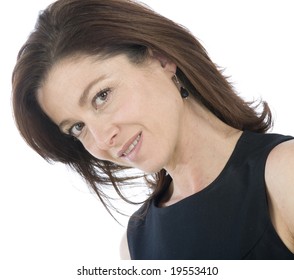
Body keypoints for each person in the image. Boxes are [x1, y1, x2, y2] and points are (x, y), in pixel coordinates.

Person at [12, 0, 294, 260]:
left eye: (102, 96)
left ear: (161, 59)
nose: (101, 138)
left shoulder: (284, 174)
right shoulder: (134, 246)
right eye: (77, 127)